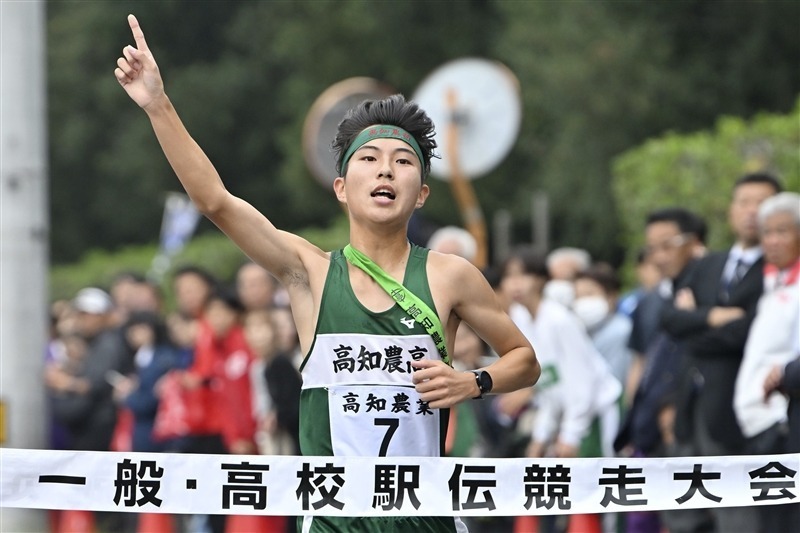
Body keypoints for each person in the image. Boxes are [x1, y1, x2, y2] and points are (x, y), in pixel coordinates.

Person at [115, 16, 540, 533]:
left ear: (422, 192)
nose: (386, 170)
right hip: (333, 523)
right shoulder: (307, 271)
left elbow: (524, 361)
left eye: (404, 161)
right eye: (370, 158)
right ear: (341, 187)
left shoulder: (451, 276)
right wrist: (158, 104)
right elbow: (214, 202)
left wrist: (472, 382)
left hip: (424, 522)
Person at [661, 172, 782, 533]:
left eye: (761, 203)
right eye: (743, 202)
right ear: (730, 209)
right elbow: (669, 319)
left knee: (737, 509)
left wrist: (694, 321)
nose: (751, 211)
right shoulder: (707, 264)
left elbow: (748, 333)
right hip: (690, 401)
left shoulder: (776, 271)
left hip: (739, 406)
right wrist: (714, 316)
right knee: (682, 506)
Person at [733, 192, 799, 532]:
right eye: (767, 232)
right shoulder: (773, 281)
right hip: (758, 422)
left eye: (782, 231)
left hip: (783, 422)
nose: (772, 241)